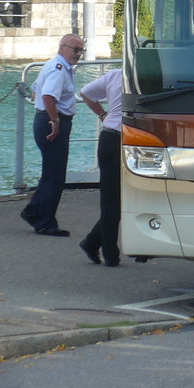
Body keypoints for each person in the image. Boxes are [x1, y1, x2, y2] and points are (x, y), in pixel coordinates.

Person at [20, 34, 85, 236]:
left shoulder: (55, 66)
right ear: (62, 47)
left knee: (52, 172)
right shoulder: (58, 70)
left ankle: (35, 212)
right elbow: (48, 96)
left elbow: (35, 90)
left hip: (47, 120)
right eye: (76, 50)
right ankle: (45, 222)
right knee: (55, 175)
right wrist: (55, 121)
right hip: (53, 122)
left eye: (81, 50)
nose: (79, 54)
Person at [77, 67, 123, 267]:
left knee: (111, 199)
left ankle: (97, 243)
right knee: (118, 200)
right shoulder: (149, 78)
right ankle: (108, 251)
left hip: (109, 135)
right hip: (129, 139)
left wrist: (103, 114)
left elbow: (85, 92)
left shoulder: (114, 75)